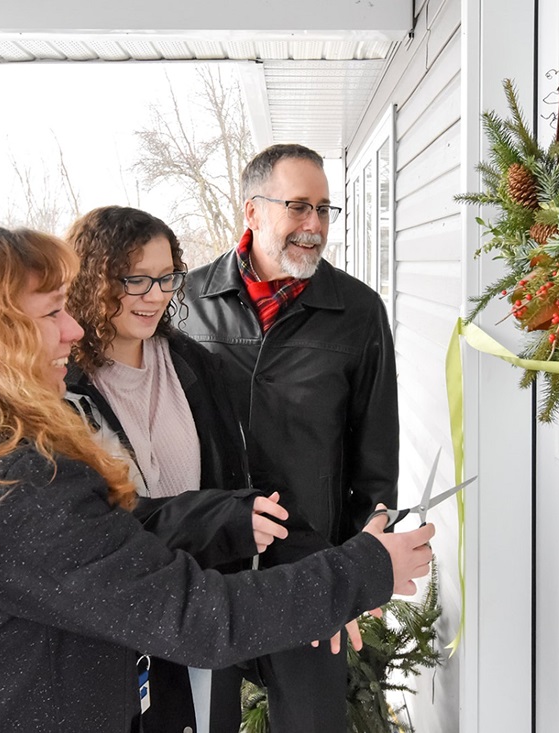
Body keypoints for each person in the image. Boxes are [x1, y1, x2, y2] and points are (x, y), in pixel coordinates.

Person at [0, 225, 431, 733]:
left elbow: (92, 543)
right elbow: (197, 616)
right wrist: (366, 568)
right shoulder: (7, 477)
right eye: (50, 314)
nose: (73, 329)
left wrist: (232, 521)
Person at [63, 205, 327, 732]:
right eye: (135, 279)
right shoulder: (64, 388)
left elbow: (233, 482)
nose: (155, 295)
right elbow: (103, 524)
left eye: (166, 277)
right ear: (91, 281)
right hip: (119, 623)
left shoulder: (195, 364)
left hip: (207, 605)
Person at [182, 143, 401, 733]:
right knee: (205, 720)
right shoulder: (186, 305)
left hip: (310, 565)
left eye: (325, 210)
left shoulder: (358, 311)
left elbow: (376, 457)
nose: (315, 226)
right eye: (299, 207)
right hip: (208, 566)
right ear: (252, 212)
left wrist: (360, 565)